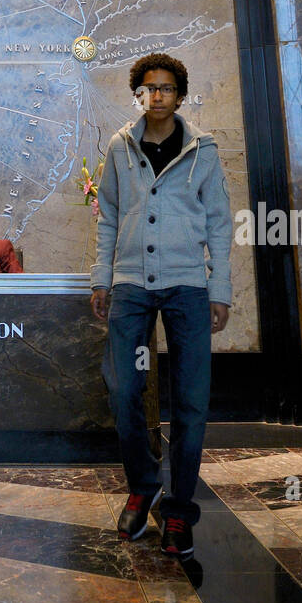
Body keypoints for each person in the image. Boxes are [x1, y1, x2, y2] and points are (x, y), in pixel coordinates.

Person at [90, 54, 232, 559]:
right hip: (130, 286)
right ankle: (142, 484)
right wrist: (101, 278)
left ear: (179, 95)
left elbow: (219, 223)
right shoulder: (119, 147)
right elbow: (107, 216)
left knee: (190, 400)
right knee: (123, 386)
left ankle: (177, 510)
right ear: (137, 94)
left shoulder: (203, 150)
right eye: (148, 88)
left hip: (188, 287)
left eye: (166, 88)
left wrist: (220, 290)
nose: (157, 95)